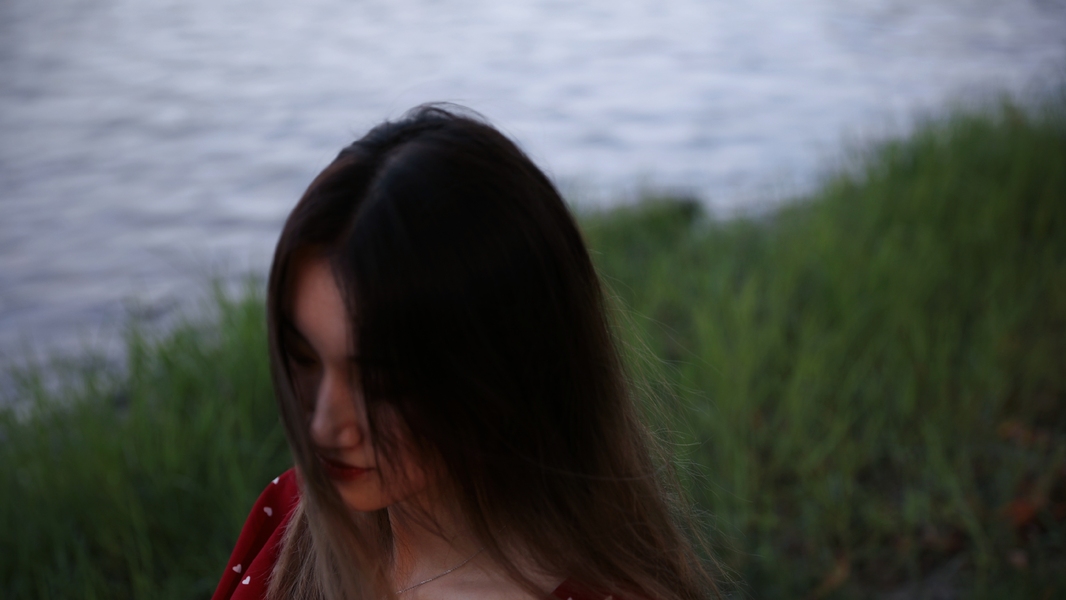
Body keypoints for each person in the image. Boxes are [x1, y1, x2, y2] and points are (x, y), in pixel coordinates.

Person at [211, 105, 720, 600]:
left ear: (505, 364)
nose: (323, 426)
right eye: (305, 360)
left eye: (381, 384)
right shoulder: (290, 515)